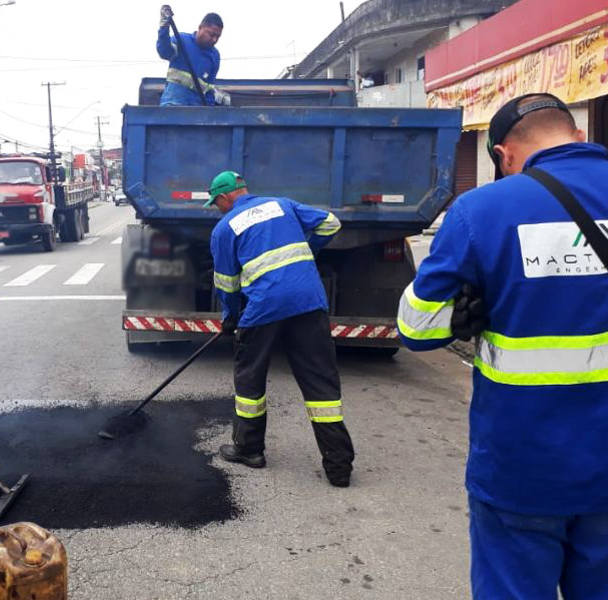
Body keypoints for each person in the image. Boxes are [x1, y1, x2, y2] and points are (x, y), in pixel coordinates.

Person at [396, 93, 608, 598]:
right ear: (578, 137)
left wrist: (465, 311)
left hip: (523, 465)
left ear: (504, 154)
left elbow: (416, 329)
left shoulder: (482, 210)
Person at [204, 171, 355, 487]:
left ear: (223, 197)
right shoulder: (282, 205)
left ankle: (249, 450)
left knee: (250, 378)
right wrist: (306, 253)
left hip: (264, 309)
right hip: (309, 302)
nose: (217, 208)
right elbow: (331, 223)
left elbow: (227, 284)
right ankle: (339, 467)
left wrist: (230, 317)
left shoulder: (224, 228)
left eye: (215, 202)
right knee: (320, 384)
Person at [156, 6, 228, 106]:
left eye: (218, 37)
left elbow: (209, 89)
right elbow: (164, 52)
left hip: (195, 114)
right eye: (211, 35)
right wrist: (164, 28)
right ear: (200, 27)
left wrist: (209, 113)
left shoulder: (214, 56)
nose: (214, 40)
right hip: (172, 106)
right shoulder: (181, 40)